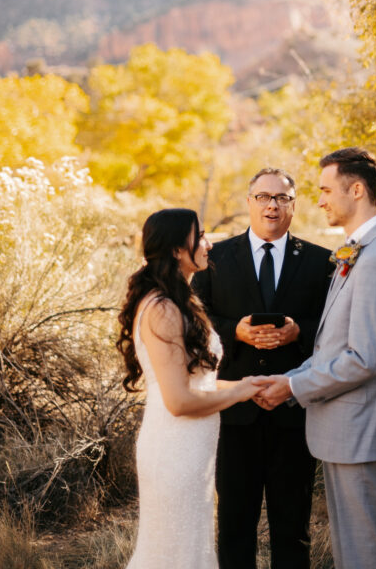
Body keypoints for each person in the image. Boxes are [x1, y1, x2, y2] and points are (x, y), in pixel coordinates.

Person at [255, 148, 376, 569]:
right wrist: (289, 379)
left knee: (364, 552)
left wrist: (292, 386)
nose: (320, 200)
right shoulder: (358, 251)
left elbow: (363, 358)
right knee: (350, 553)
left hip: (359, 429)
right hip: (344, 428)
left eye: (326, 190)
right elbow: (333, 347)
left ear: (356, 189)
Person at [193, 167, 332, 569]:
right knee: (235, 526)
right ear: (248, 203)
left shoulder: (320, 261)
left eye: (282, 198)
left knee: (293, 527)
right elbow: (196, 321)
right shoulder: (215, 258)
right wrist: (233, 331)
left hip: (293, 412)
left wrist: (297, 333)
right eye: (263, 197)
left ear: (294, 205)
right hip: (235, 414)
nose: (272, 205)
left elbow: (330, 326)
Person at [116, 208, 264, 569]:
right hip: (173, 452)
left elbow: (201, 383)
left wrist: (249, 384)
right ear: (177, 250)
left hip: (193, 451)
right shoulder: (162, 309)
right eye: (200, 236)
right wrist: (241, 393)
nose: (208, 244)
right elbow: (180, 401)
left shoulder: (178, 300)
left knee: (191, 550)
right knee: (172, 554)